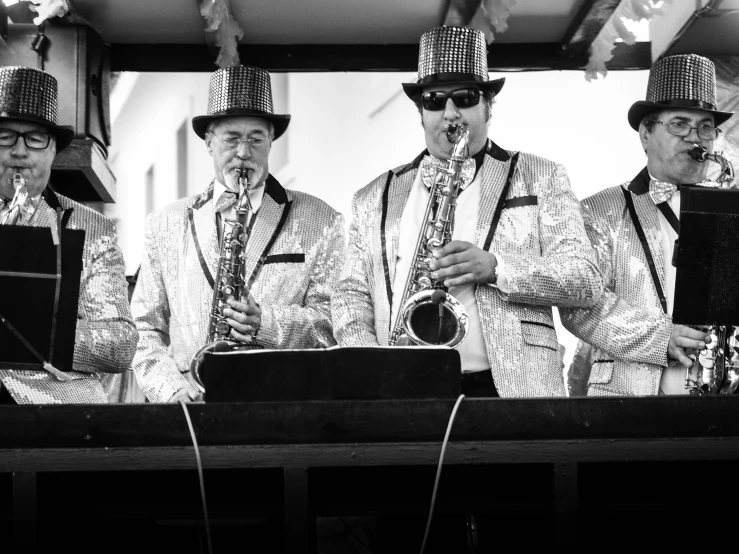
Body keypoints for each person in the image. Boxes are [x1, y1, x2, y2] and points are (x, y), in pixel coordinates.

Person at [331, 26, 603, 398]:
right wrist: (375, 368)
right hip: (404, 386)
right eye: (434, 101)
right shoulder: (373, 197)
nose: (450, 114)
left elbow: (585, 280)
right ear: (420, 113)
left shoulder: (541, 175)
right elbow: (350, 294)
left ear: (489, 106)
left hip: (513, 390)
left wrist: (497, 269)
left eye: (465, 97)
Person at [132, 66, 345, 403]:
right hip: (191, 405)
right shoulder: (165, 224)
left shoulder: (320, 219)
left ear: (271, 140)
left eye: (256, 139)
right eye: (232, 138)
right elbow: (143, 329)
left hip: (284, 403)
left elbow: (334, 324)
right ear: (208, 142)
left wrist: (267, 323)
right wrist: (170, 390)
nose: (244, 152)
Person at [561, 54, 733, 396]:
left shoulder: (732, 210)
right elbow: (579, 306)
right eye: (680, 124)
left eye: (704, 127)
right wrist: (661, 337)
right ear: (645, 133)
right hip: (629, 401)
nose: (695, 138)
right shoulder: (599, 209)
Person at [0, 66, 137, 404]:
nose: (19, 151)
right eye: (5, 137)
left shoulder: (91, 227)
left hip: (53, 409)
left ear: (52, 151)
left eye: (34, 138)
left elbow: (121, 343)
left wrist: (38, 333)